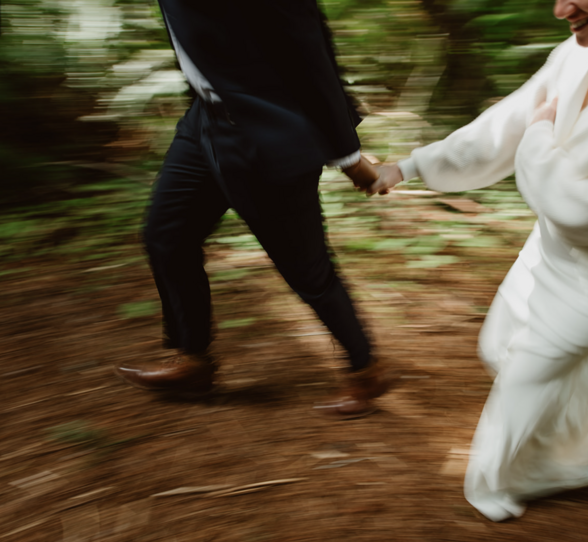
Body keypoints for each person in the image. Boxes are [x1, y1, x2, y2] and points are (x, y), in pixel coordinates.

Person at [372, 0, 588, 521]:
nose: (561, 9)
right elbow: (506, 124)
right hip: (546, 252)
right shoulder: (580, 53)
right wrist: (409, 166)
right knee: (495, 349)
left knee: (512, 414)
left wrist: (538, 137)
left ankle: (525, 480)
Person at [114, 0, 392, 419]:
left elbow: (311, 54)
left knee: (307, 271)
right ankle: (193, 360)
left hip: (268, 133)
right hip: (203, 124)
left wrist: (347, 156)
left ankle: (366, 368)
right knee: (166, 237)